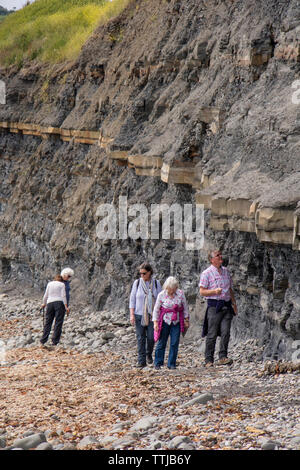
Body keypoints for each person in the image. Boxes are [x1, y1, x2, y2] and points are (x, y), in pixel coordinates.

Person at [199, 249, 238, 367]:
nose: (221, 256)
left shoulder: (226, 271)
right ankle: (208, 360)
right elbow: (202, 291)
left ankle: (223, 357)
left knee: (226, 332)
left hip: (226, 305)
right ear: (212, 260)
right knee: (212, 333)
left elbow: (230, 289)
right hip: (214, 306)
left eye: (221, 254)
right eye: (217, 255)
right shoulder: (206, 273)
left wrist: (234, 304)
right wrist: (214, 291)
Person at [153, 276, 189, 370]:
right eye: (170, 289)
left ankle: (171, 363)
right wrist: (155, 323)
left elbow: (185, 307)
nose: (171, 291)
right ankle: (158, 362)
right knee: (162, 342)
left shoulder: (180, 294)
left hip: (176, 321)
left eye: (173, 289)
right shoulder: (161, 295)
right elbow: (156, 309)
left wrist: (186, 319)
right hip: (165, 321)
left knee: (174, 342)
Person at [129, 263, 162, 368]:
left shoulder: (156, 284)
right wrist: (132, 315)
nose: (142, 276)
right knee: (140, 338)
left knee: (151, 338)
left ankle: (149, 353)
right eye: (140, 274)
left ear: (149, 273)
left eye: (144, 273)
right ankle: (141, 360)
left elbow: (160, 299)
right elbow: (132, 299)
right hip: (139, 314)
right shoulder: (137, 283)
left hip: (153, 315)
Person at [40, 274, 70, 348]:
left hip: (50, 303)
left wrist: (44, 303)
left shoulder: (49, 284)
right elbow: (63, 296)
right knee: (58, 322)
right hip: (59, 303)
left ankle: (43, 340)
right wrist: (66, 306)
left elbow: (46, 295)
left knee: (48, 322)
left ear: (55, 278)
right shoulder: (62, 284)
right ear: (61, 279)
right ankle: (54, 341)